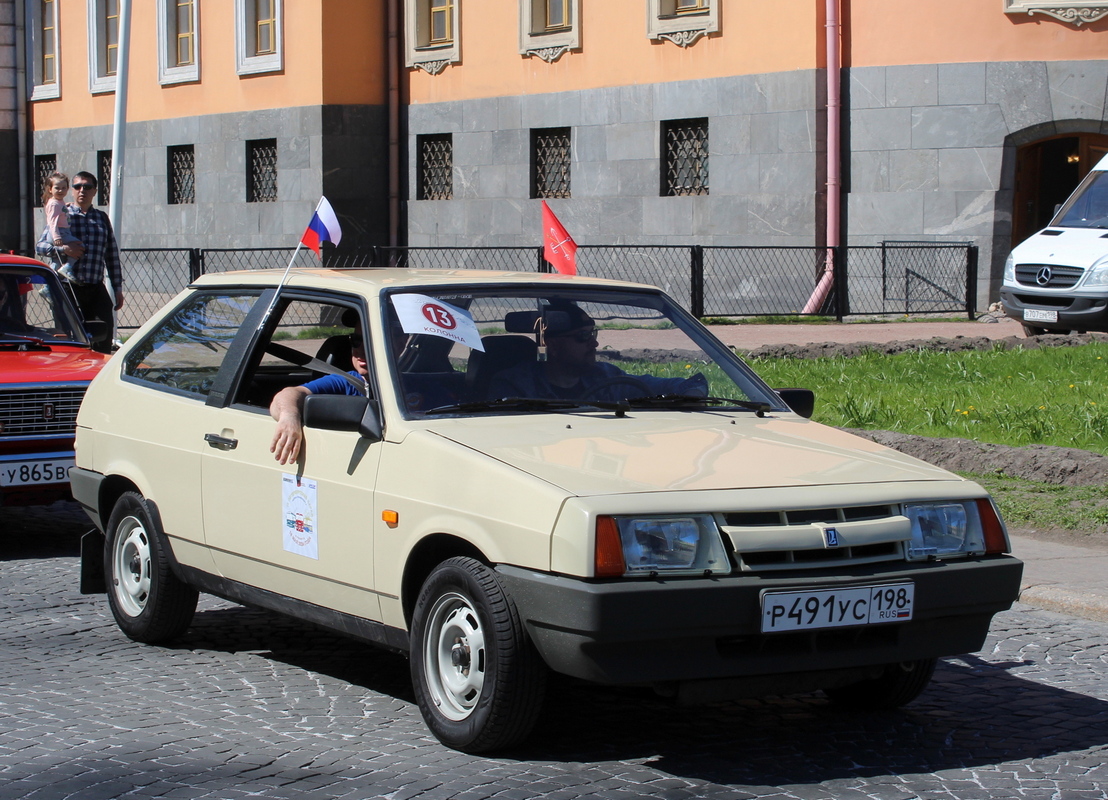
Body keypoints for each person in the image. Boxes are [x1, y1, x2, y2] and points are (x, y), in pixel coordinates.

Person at [487, 302, 708, 402]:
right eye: (582, 337)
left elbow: (682, 385)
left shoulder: (606, 377)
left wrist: (690, 395)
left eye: (593, 334)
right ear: (553, 346)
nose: (593, 344)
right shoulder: (514, 386)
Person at [34, 171, 123, 354]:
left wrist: (118, 288)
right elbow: (40, 247)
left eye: (87, 187)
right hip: (68, 288)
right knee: (70, 341)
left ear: (95, 191)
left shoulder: (101, 218)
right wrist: (64, 250)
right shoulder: (62, 213)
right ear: (71, 190)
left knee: (102, 338)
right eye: (77, 186)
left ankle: (97, 378)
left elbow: (111, 254)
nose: (82, 190)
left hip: (95, 286)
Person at [269, 333, 370, 465]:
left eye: (370, 338)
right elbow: (288, 395)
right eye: (356, 340)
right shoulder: (348, 381)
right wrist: (289, 416)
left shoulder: (405, 384)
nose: (360, 347)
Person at [40, 172, 82, 281]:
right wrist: (57, 237)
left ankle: (49, 283)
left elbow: (60, 210)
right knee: (80, 245)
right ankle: (68, 267)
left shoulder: (59, 202)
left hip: (60, 232)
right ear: (50, 189)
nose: (60, 191)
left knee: (56, 261)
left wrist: (65, 206)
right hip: (60, 232)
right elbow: (52, 221)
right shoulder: (54, 203)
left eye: (63, 188)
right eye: (57, 188)